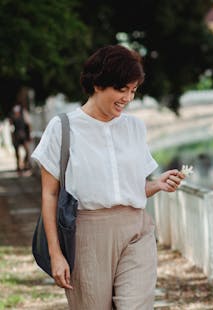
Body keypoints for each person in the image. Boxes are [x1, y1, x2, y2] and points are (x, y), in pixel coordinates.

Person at [31, 45, 185, 309]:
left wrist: (156, 185)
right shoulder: (62, 128)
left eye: (133, 90)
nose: (128, 98)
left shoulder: (134, 127)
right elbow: (50, 194)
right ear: (98, 84)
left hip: (136, 230)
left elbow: (128, 187)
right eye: (121, 89)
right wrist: (56, 255)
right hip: (87, 236)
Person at [9, 103, 31, 172]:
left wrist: (28, 135)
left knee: (27, 151)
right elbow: (11, 128)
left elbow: (28, 125)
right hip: (16, 136)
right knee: (17, 152)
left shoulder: (23, 116)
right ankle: (18, 165)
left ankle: (24, 164)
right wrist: (12, 137)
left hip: (23, 136)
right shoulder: (12, 118)